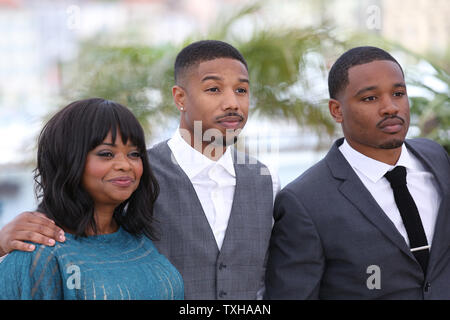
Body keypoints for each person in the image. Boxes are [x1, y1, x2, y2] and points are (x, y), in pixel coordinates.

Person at [0, 41, 279, 300]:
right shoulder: (135, 181)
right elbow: (58, 220)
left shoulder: (266, 181)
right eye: (213, 89)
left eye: (241, 90)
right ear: (179, 97)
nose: (232, 102)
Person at [264, 46, 450, 299]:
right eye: (370, 98)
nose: (390, 107)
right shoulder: (304, 201)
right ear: (336, 110)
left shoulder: (436, 158)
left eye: (398, 93)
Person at [0, 98, 184, 300]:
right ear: (68, 160)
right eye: (106, 154)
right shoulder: (39, 254)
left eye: (134, 154)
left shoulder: (140, 238)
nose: (125, 165)